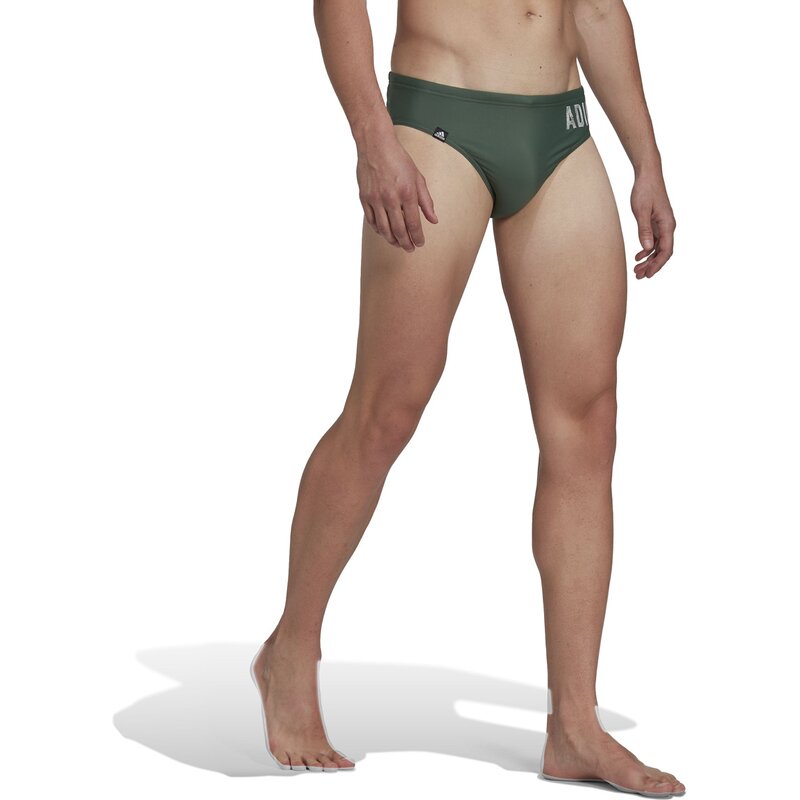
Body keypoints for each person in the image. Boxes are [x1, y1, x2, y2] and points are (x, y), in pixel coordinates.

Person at [251, 1, 684, 795]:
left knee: (587, 425)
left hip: (560, 131)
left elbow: (594, 6)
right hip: (436, 123)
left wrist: (645, 159)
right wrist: (372, 137)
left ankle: (575, 725)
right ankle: (291, 648)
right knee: (388, 408)